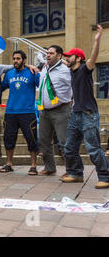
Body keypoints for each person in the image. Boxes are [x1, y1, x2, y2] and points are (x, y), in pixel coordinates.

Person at [61, 25, 109, 189]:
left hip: (88, 114)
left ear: (79, 58)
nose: (67, 58)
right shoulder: (72, 72)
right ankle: (75, 173)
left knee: (93, 148)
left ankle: (105, 177)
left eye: (70, 56)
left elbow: (93, 58)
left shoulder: (84, 68)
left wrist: (97, 41)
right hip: (76, 114)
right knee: (69, 147)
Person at [0, 50, 40, 175]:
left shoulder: (32, 72)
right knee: (8, 139)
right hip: (11, 111)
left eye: (18, 58)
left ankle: (33, 166)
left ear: (24, 60)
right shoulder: (9, 73)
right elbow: (1, 87)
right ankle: (9, 164)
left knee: (31, 139)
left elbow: (42, 84)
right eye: (14, 59)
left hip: (27, 111)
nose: (15, 61)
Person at [37, 45, 73, 176]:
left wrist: (72, 99)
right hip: (44, 111)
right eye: (47, 53)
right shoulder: (44, 68)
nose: (48, 55)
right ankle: (50, 167)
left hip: (61, 110)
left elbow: (74, 85)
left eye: (51, 53)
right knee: (44, 140)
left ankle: (71, 170)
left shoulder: (65, 70)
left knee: (64, 141)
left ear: (59, 56)